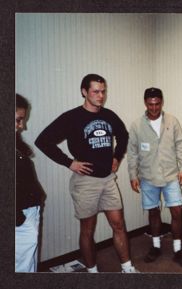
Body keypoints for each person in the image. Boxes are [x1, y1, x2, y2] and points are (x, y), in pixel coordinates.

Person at [35, 74, 138, 273]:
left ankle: (128, 269)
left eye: (103, 91)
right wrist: (69, 163)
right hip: (85, 182)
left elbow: (123, 135)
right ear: (84, 92)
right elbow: (43, 141)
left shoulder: (109, 115)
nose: (101, 96)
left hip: (108, 180)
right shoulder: (72, 117)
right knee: (87, 230)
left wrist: (117, 156)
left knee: (118, 225)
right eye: (96, 92)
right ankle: (92, 272)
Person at [127, 87, 182, 267]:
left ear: (161, 102)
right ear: (145, 103)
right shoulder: (136, 125)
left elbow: (180, 145)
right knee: (153, 212)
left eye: (157, 104)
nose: (154, 108)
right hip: (148, 176)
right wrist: (133, 175)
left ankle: (178, 249)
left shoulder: (172, 121)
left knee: (177, 212)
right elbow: (132, 152)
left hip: (171, 175)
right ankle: (155, 246)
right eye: (150, 104)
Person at [15, 94, 45, 272]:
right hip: (20, 218)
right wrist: (19, 219)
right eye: (18, 120)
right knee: (21, 267)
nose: (21, 126)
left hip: (28, 212)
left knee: (29, 264)